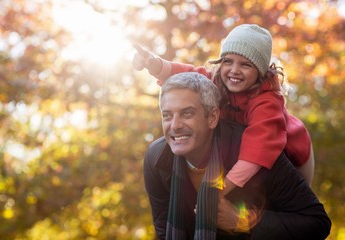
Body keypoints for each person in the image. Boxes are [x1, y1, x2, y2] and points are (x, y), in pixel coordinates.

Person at [143, 71, 331, 240]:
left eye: (187, 113)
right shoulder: (156, 158)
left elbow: (317, 223)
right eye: (167, 115)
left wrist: (241, 222)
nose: (174, 125)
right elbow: (163, 228)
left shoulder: (255, 155)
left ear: (212, 118)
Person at [134, 24, 314, 198]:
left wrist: (222, 189)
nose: (234, 70)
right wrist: (155, 64)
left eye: (245, 65)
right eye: (228, 61)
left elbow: (258, 150)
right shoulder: (216, 80)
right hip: (245, 147)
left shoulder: (267, 101)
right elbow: (187, 75)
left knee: (292, 198)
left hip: (294, 151)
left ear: (260, 71)